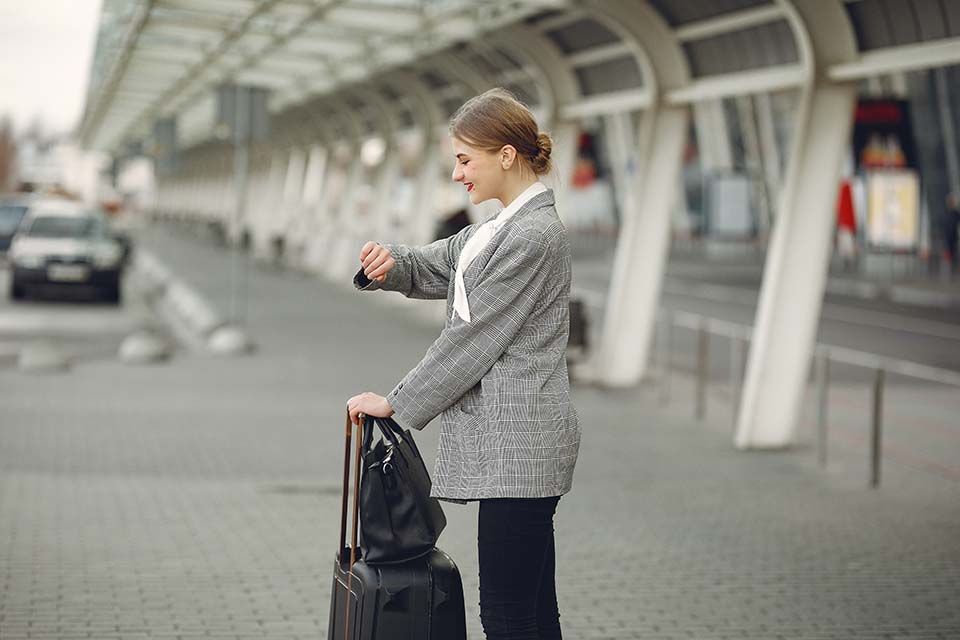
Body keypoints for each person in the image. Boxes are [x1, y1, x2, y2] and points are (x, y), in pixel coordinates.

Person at [346, 87, 581, 640]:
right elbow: (433, 265)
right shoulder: (494, 231)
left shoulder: (534, 235)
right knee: (530, 610)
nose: (457, 175)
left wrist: (397, 403)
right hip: (516, 446)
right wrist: (389, 264)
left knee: (507, 613)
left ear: (505, 154)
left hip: (522, 448)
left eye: (463, 159)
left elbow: (473, 338)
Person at [944, 193, 959, 274]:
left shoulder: (956, 213)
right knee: (948, 255)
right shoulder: (946, 213)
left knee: (954, 254)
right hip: (947, 238)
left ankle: (953, 271)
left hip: (954, 237)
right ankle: (949, 271)